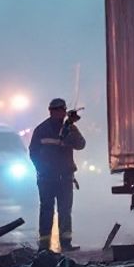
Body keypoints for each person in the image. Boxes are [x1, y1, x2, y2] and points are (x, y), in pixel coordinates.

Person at [28, 98, 86, 252]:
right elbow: (33, 152)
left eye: (62, 110)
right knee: (47, 209)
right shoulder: (41, 130)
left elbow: (81, 144)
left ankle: (66, 243)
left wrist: (71, 126)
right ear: (51, 111)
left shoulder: (68, 128)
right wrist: (41, 169)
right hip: (46, 178)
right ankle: (44, 245)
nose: (59, 113)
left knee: (65, 211)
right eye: (57, 110)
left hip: (65, 177)